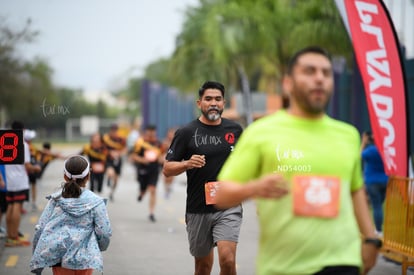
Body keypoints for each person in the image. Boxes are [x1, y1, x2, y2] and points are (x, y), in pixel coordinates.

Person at [215, 46, 380, 275]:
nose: (319, 78)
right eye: (309, 71)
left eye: (326, 73)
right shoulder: (262, 132)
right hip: (285, 266)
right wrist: (254, 187)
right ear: (288, 83)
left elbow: (355, 190)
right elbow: (221, 193)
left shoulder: (348, 134)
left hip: (343, 260)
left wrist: (371, 239)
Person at [163, 81, 243, 275]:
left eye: (218, 99)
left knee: (228, 260)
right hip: (198, 208)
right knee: (203, 267)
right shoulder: (186, 132)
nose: (213, 103)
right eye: (208, 99)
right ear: (199, 103)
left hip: (228, 206)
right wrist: (186, 164)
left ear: (224, 103)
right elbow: (167, 168)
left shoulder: (235, 131)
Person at [30, 155, 112, 275]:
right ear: (88, 176)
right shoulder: (96, 202)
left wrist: (37, 255)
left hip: (59, 257)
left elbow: (41, 228)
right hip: (85, 257)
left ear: (65, 175)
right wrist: (100, 247)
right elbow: (104, 231)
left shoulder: (55, 200)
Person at [5, 121, 41, 247]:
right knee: (17, 206)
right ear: (23, 130)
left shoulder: (5, 141)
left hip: (9, 180)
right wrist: (36, 168)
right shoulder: (23, 144)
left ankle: (10, 236)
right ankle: (14, 237)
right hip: (20, 180)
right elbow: (27, 165)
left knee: (10, 206)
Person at [129, 124, 163, 222]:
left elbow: (163, 155)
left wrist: (161, 159)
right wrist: (142, 160)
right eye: (149, 131)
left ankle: (151, 213)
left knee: (152, 189)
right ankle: (141, 194)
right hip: (143, 169)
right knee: (143, 189)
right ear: (146, 132)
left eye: (153, 131)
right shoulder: (140, 143)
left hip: (154, 169)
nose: (151, 134)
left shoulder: (159, 144)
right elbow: (133, 156)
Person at [361, 130, 388, 236]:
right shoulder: (386, 151)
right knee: (378, 205)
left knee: (376, 206)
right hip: (385, 181)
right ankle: (376, 225)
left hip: (372, 181)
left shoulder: (371, 150)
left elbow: (360, 156)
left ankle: (378, 230)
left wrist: (363, 143)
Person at [102, 123, 127, 201]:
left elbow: (125, 149)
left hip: (118, 160)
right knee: (110, 172)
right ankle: (109, 178)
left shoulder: (121, 139)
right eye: (112, 130)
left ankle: (111, 192)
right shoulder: (105, 138)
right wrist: (110, 153)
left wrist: (119, 153)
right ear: (110, 130)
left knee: (116, 180)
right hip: (109, 159)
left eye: (115, 130)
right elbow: (102, 148)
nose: (114, 132)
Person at [161, 127, 177, 199]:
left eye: (172, 133)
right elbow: (161, 151)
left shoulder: (176, 142)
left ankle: (169, 187)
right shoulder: (165, 142)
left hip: (173, 160)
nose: (171, 135)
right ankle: (166, 189)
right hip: (166, 160)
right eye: (170, 133)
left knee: (172, 175)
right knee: (166, 175)